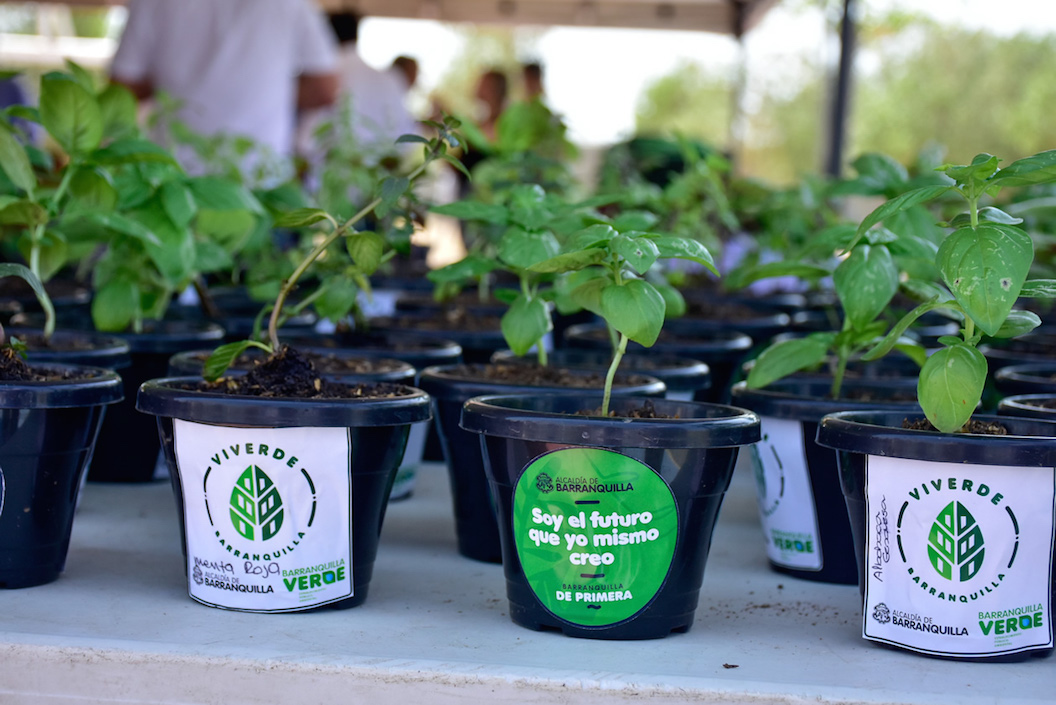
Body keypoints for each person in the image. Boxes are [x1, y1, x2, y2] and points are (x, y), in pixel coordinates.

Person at [110, 0, 339, 175]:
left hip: (175, 179)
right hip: (260, 176)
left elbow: (122, 87)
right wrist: (262, 91)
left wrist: (174, 85)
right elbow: (325, 90)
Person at [298, 12, 418, 157]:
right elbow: (406, 138)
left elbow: (306, 139)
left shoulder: (325, 76)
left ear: (326, 33)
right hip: (380, 175)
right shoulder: (392, 79)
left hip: (331, 174)